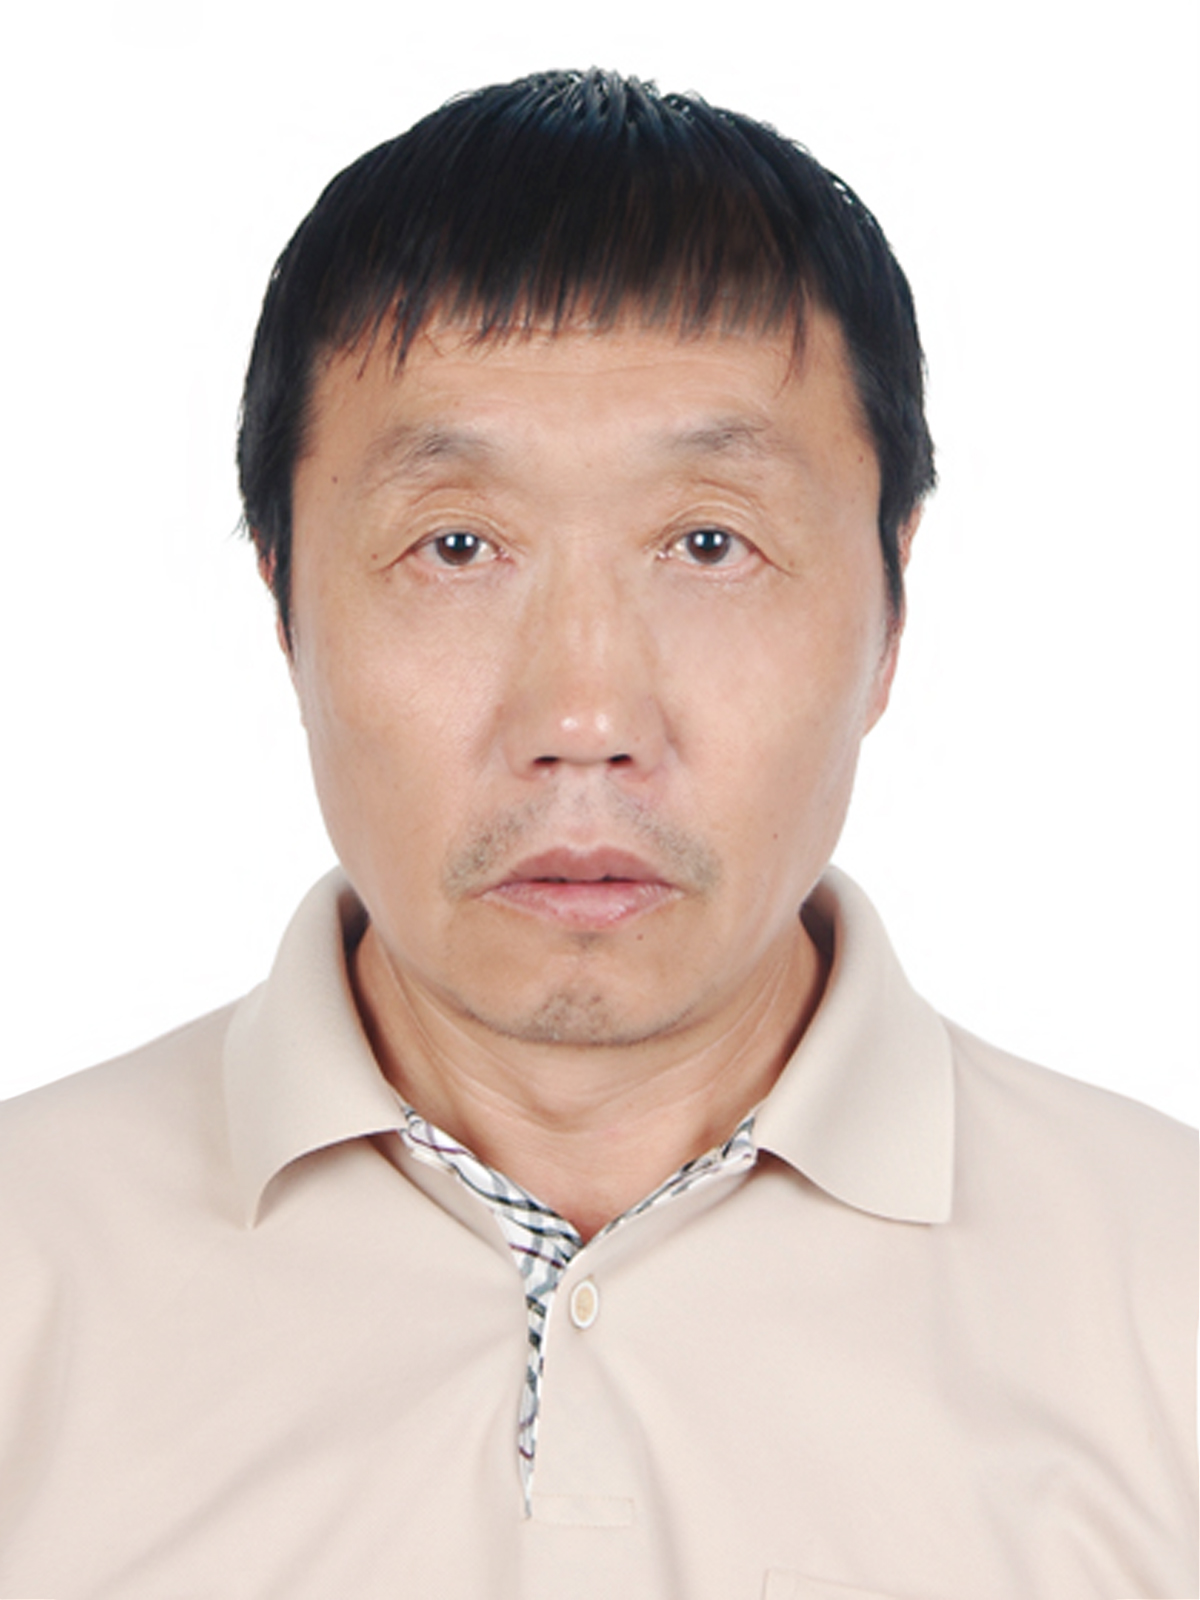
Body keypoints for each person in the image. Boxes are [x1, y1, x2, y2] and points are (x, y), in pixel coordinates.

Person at [0, 68, 1193, 1600]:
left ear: (892, 611)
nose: (582, 712)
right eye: (456, 545)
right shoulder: (27, 1274)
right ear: (284, 606)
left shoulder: (1169, 1298)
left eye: (709, 541)